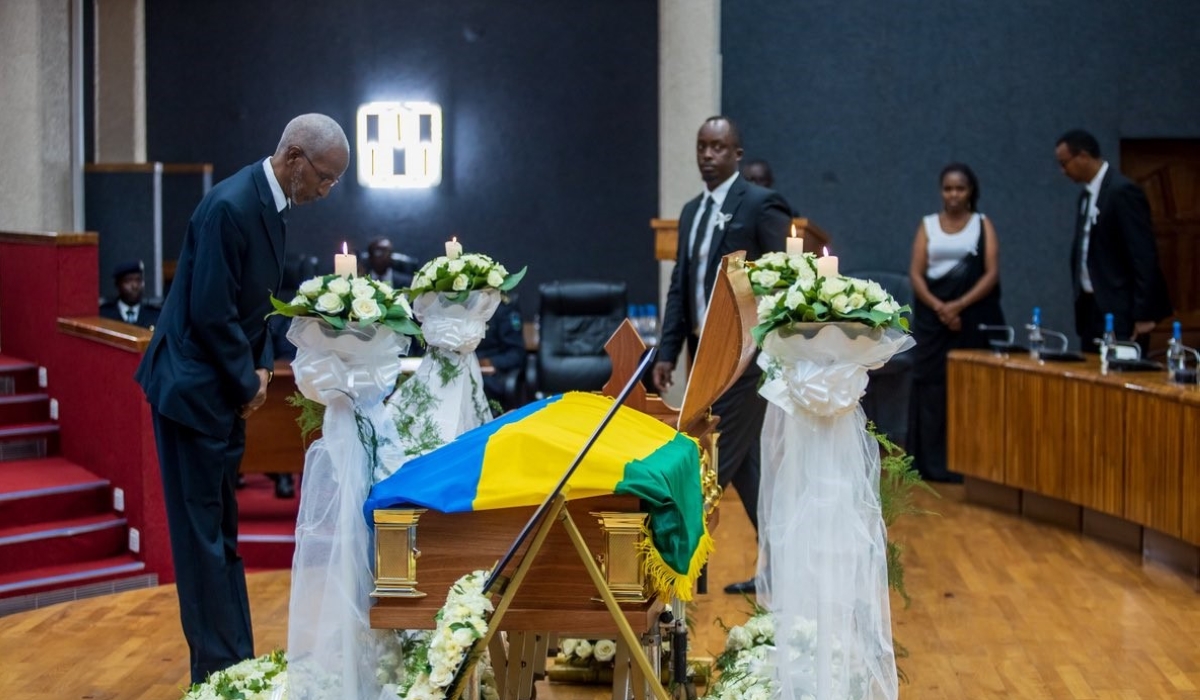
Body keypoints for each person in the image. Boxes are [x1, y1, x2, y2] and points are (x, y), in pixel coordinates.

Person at [135, 113, 349, 684]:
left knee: (221, 535)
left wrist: (259, 365)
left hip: (218, 391)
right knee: (201, 541)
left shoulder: (269, 205)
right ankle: (216, 673)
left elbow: (256, 303)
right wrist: (248, 380)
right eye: (325, 177)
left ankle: (236, 661)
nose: (327, 190)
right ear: (295, 157)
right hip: (190, 393)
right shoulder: (230, 206)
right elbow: (211, 311)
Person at [653, 116, 792, 595]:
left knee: (708, 465)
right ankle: (784, 568)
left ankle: (681, 575)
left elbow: (783, 278)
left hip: (745, 360)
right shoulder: (692, 211)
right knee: (747, 469)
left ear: (737, 154)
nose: (708, 155)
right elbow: (682, 286)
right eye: (702, 146)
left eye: (718, 147)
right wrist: (667, 350)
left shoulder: (759, 204)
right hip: (703, 356)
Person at [907, 163, 1004, 483]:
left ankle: (969, 462)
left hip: (971, 317)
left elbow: (991, 273)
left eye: (960, 188)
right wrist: (941, 308)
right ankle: (930, 463)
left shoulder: (982, 224)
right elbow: (916, 273)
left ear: (970, 191)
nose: (953, 194)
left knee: (969, 387)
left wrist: (959, 305)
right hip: (933, 321)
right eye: (948, 188)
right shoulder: (928, 225)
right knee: (931, 389)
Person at [1055, 129, 1172, 353]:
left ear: (1083, 156)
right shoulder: (1086, 196)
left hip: (1120, 309)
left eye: (1064, 163)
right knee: (1091, 369)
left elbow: (1143, 254)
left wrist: (1144, 313)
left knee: (1120, 367)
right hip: (1091, 307)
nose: (1063, 171)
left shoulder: (1122, 191)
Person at [476, 297, 527, 411]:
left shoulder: (502, 308)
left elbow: (517, 353)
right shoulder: (462, 305)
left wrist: (491, 362)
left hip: (492, 374)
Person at [99, 260, 160, 328]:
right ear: (117, 284)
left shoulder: (155, 315)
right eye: (128, 280)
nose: (135, 286)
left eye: (138, 280)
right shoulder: (104, 315)